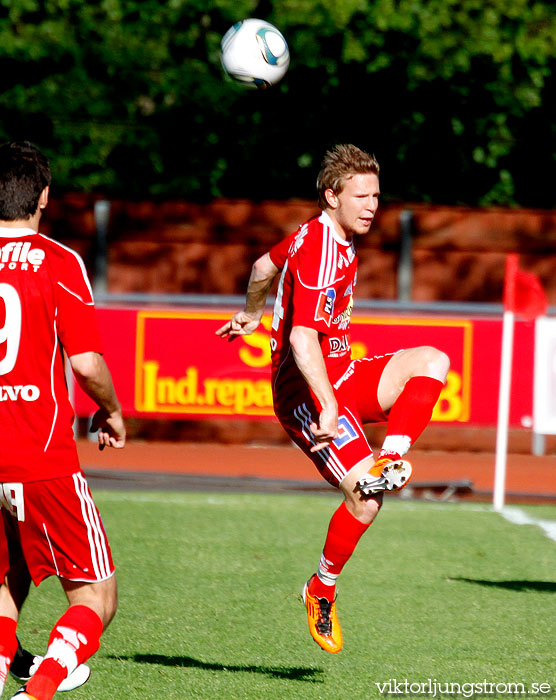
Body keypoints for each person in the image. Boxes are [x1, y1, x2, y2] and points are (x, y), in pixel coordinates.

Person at [217, 144, 449, 654]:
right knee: (366, 500)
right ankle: (321, 588)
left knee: (432, 361)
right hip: (306, 391)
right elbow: (302, 341)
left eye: (376, 196)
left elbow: (261, 266)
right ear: (331, 196)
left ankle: (391, 456)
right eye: (361, 196)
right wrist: (325, 404)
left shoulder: (318, 233)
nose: (371, 205)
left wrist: (252, 313)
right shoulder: (323, 252)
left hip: (339, 374)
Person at [0, 141, 126, 700]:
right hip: (41, 456)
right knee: (98, 595)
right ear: (44, 196)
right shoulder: (58, 261)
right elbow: (85, 363)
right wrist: (112, 408)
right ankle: (41, 689)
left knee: (6, 581)